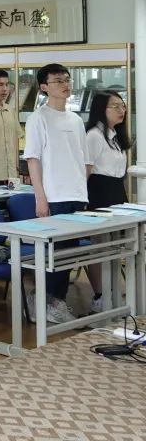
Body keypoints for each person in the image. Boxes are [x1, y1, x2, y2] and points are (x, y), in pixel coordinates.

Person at [24, 63, 88, 324]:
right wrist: (41, 198)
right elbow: (33, 159)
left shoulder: (75, 119)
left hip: (76, 194)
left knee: (69, 253)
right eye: (58, 80)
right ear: (44, 87)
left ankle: (56, 301)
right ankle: (45, 301)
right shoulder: (38, 118)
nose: (65, 85)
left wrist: (82, 189)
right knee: (54, 254)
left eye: (67, 80)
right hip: (54, 196)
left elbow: (83, 159)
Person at [84, 91, 130, 311]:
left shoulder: (116, 135)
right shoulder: (94, 135)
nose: (121, 110)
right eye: (115, 106)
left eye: (123, 106)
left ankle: (113, 291)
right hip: (98, 192)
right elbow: (86, 170)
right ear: (102, 109)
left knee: (114, 246)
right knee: (99, 246)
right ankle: (99, 295)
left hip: (116, 192)